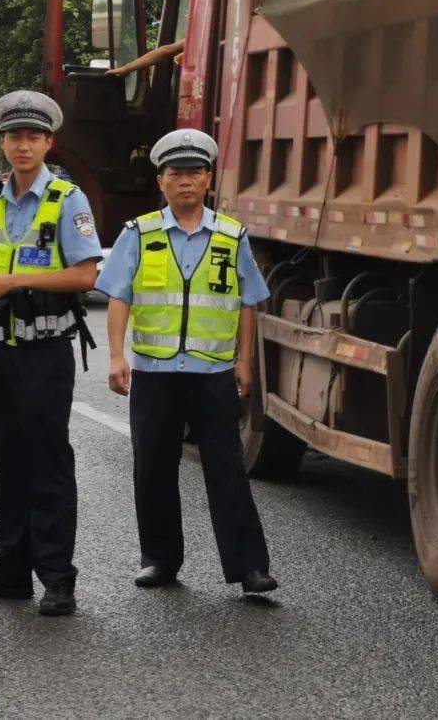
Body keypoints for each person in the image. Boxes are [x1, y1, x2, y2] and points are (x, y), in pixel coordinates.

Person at [96, 128, 277, 594]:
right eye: (175, 173)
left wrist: (243, 363)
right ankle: (159, 560)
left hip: (212, 374)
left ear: (208, 179)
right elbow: (119, 296)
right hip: (155, 373)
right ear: (161, 181)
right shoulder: (139, 233)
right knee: (152, 468)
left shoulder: (232, 236)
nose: (185, 181)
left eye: (194, 172)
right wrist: (117, 356)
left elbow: (247, 302)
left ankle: (249, 568)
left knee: (227, 469)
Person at [0, 91, 102, 617]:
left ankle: (58, 577)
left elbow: (87, 274)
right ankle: (12, 568)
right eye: (14, 137)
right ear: (2, 143)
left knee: (48, 465)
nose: (23, 145)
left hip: (45, 354)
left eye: (33, 137)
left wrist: (18, 280)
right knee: (8, 465)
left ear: (48, 143)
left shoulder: (66, 199)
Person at [105, 40, 185, 77]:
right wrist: (126, 68)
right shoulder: (193, 39)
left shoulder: (194, 38)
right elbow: (165, 51)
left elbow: (166, 51)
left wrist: (126, 69)